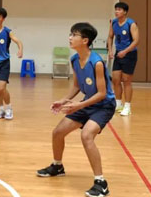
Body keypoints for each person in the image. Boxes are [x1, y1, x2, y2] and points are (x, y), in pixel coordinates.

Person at [37, 23, 115, 197]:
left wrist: (78, 105)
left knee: (86, 136)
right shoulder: (74, 60)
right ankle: (57, 166)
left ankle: (101, 183)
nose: (70, 38)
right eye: (70, 34)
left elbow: (102, 93)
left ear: (85, 40)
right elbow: (77, 86)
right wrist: (64, 100)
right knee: (58, 132)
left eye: (74, 35)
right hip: (87, 103)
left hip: (104, 105)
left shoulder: (97, 63)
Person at [107, 2, 139, 117]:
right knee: (115, 79)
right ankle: (118, 104)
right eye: (116, 9)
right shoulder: (113, 22)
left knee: (126, 80)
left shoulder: (131, 24)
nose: (116, 11)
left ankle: (127, 106)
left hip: (130, 54)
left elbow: (136, 41)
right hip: (118, 54)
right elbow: (110, 37)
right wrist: (110, 50)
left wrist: (125, 51)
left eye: (119, 10)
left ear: (125, 12)